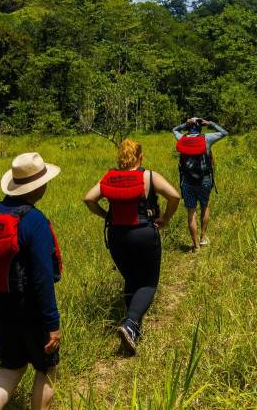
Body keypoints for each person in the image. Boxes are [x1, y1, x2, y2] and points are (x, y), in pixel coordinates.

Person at [0, 152, 63, 410]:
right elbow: (43, 278)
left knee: (11, 366)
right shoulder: (34, 221)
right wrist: (52, 323)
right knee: (47, 368)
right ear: (38, 186)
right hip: (31, 310)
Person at [83, 139, 180, 355]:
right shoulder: (148, 176)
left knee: (131, 280)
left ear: (121, 157)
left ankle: (134, 331)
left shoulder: (109, 177)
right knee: (148, 283)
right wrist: (165, 218)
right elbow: (174, 195)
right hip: (144, 234)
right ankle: (130, 323)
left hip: (117, 236)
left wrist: (106, 215)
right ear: (140, 157)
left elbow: (89, 198)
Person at [172, 117, 228, 251]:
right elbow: (224, 132)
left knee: (191, 213)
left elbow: (174, 129)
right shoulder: (206, 139)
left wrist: (184, 124)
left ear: (189, 127)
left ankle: (196, 246)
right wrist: (210, 123)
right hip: (204, 180)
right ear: (200, 126)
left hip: (187, 181)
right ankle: (203, 237)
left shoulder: (182, 139)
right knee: (205, 206)